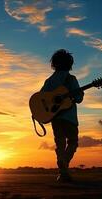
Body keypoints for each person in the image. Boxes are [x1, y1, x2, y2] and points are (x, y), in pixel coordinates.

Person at [40, 49, 84, 182]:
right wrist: (77, 93)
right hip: (69, 118)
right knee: (72, 142)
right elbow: (79, 98)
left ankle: (63, 173)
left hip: (55, 119)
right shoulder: (71, 79)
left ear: (54, 64)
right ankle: (64, 162)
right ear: (70, 64)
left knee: (60, 144)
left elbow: (41, 97)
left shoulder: (50, 81)